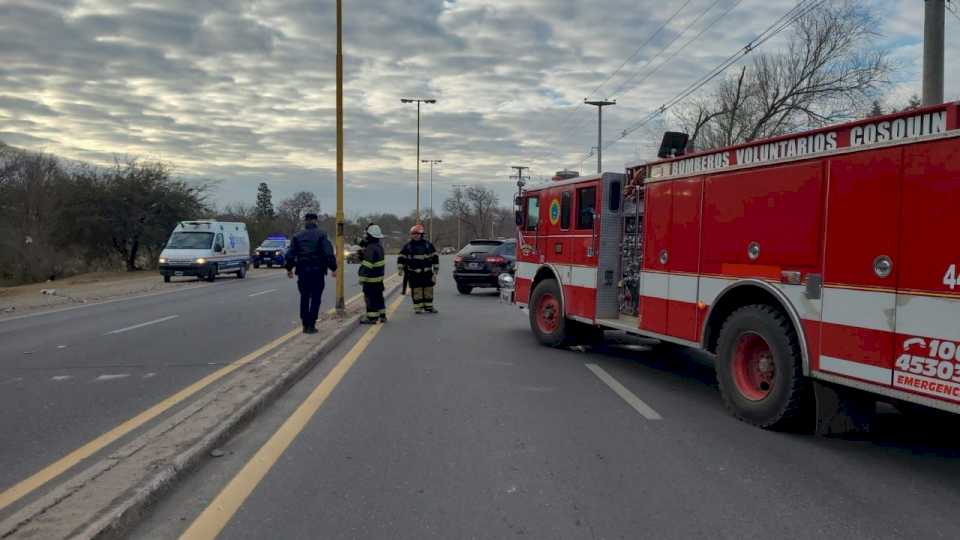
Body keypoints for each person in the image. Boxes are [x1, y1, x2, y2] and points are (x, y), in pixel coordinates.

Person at [285, 213, 337, 334]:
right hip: (317, 272)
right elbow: (328, 253)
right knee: (315, 298)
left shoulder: (297, 236)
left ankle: (305, 324)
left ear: (305, 222)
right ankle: (311, 325)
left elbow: (290, 255)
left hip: (302, 271)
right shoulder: (322, 235)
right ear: (315, 221)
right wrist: (333, 268)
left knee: (304, 297)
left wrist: (289, 269)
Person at [398, 224, 439, 314]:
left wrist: (436, 270)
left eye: (417, 233)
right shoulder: (408, 246)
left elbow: (435, 257)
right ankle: (418, 308)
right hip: (414, 274)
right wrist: (400, 268)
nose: (415, 235)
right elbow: (401, 257)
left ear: (421, 234)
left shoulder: (428, 245)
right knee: (417, 291)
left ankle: (429, 307)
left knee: (428, 290)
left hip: (427, 273)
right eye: (413, 234)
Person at [358, 224, 387, 324]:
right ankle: (382, 315)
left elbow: (367, 265)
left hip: (370, 279)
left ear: (370, 236)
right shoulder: (379, 247)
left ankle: (372, 318)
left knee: (370, 298)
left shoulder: (370, 248)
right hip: (379, 279)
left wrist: (361, 278)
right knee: (379, 297)